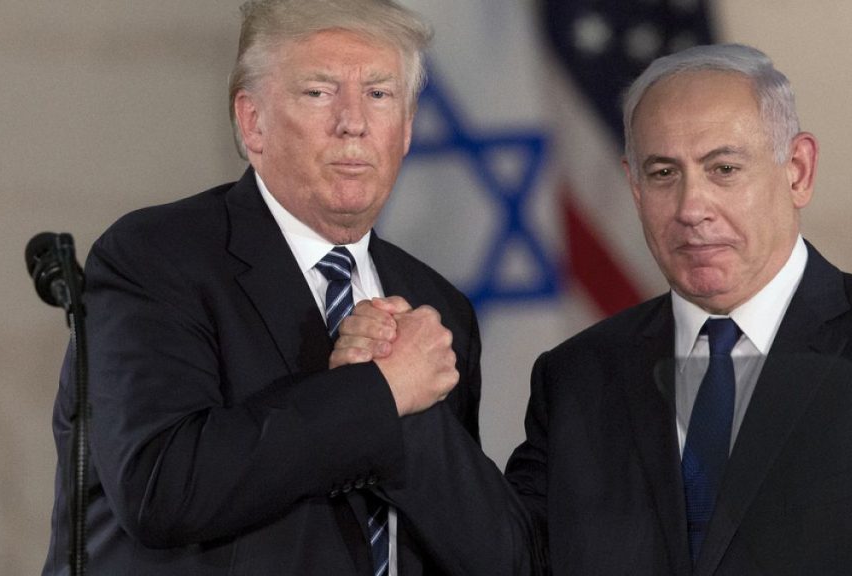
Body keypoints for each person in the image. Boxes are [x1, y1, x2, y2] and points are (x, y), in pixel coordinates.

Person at [41, 0, 534, 574]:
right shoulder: (157, 257)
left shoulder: (435, 306)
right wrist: (376, 391)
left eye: (379, 94)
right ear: (253, 122)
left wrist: (405, 405)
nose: (353, 121)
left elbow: (498, 557)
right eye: (319, 92)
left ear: (406, 128)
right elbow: (160, 487)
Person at [500, 44, 852, 574]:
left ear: (797, 170)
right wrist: (410, 416)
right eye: (662, 174)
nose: (691, 207)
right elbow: (504, 559)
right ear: (633, 185)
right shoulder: (575, 378)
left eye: (723, 168)